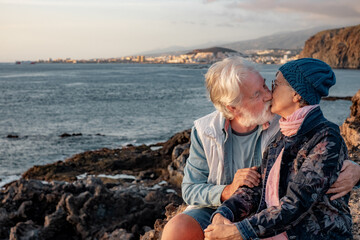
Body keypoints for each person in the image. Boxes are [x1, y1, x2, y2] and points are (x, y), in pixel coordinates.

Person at [161, 57, 360, 240]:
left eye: (269, 84)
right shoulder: (208, 131)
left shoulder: (286, 125)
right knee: (178, 229)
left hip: (289, 222)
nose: (269, 94)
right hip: (244, 210)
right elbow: (195, 188)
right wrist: (225, 203)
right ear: (232, 107)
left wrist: (355, 169)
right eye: (258, 93)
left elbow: (318, 158)